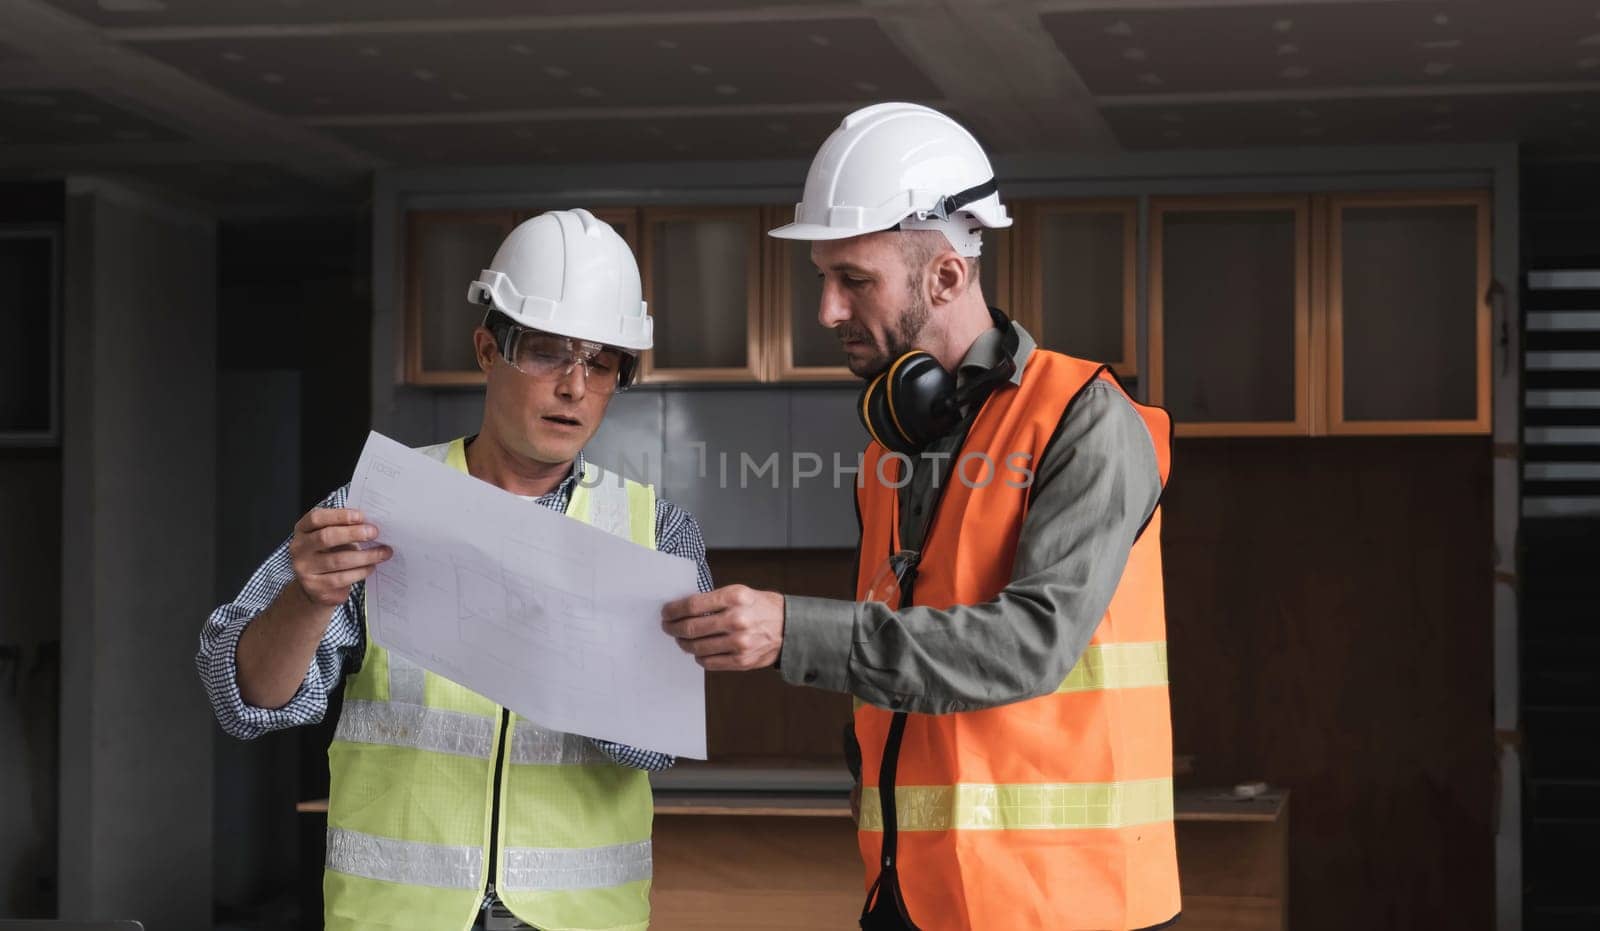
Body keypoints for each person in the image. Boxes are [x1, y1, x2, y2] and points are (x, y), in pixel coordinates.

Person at [660, 103, 1180, 931]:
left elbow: (1032, 642)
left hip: (1066, 906)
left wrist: (795, 631)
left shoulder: (1085, 417)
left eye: (853, 280)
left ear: (945, 275)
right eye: (823, 280)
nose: (827, 311)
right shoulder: (890, 448)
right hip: (913, 899)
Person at [198, 208, 712, 931]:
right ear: (485, 348)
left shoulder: (655, 533)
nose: (573, 386)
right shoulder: (378, 505)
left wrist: (553, 636)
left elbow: (657, 741)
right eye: (545, 351)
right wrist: (305, 600)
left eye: (600, 362)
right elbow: (240, 696)